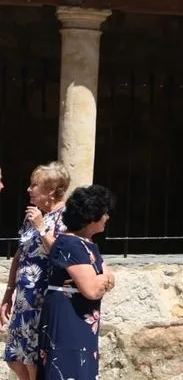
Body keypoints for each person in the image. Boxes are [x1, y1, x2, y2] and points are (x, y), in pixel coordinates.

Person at [36, 184, 116, 380]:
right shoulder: (71, 245)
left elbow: (109, 279)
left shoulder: (87, 244)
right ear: (92, 217)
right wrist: (101, 279)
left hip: (81, 320)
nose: (107, 217)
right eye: (104, 213)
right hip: (69, 319)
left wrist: (101, 279)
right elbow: (92, 290)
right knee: (68, 368)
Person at [2, 162, 70, 380]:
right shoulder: (32, 215)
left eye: (34, 185)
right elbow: (20, 254)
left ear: (51, 190)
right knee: (15, 359)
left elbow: (62, 255)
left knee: (34, 362)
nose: (28, 189)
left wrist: (42, 228)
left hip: (43, 298)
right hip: (24, 298)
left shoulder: (66, 217)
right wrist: (8, 293)